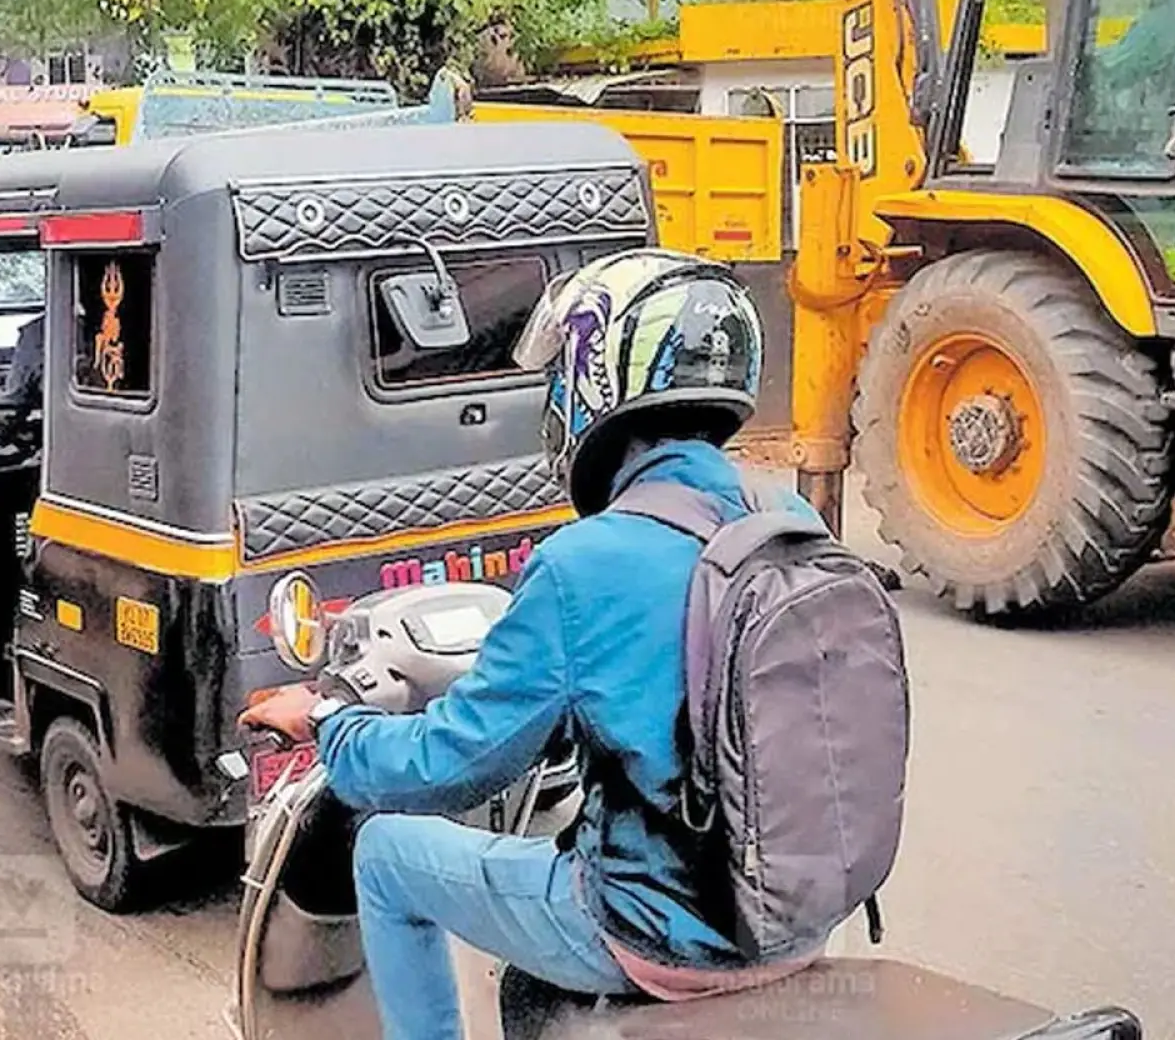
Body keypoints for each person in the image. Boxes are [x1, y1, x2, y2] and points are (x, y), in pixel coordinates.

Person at [240, 250, 821, 1040]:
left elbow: (450, 766)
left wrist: (328, 721)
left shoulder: (583, 563)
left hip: (656, 936)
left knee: (383, 852)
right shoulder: (786, 519)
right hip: (795, 918)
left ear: (596, 375)